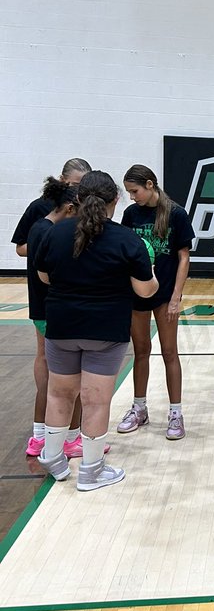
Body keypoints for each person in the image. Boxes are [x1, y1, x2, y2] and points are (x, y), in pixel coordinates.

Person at [34, 171, 157, 490]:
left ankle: (52, 456)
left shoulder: (55, 233)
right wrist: (152, 274)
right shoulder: (127, 239)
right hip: (105, 330)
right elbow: (145, 292)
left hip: (61, 325)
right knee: (95, 400)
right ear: (114, 201)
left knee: (59, 393)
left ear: (77, 198)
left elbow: (44, 277)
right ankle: (91, 470)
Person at [11, 157, 92, 458]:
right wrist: (51, 249)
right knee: (65, 375)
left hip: (58, 302)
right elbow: (23, 249)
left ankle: (48, 435)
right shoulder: (43, 220)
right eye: (74, 186)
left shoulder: (57, 223)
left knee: (64, 375)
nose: (78, 192)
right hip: (52, 303)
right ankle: (63, 438)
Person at [117, 164, 195, 441]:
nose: (131, 196)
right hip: (137, 292)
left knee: (170, 352)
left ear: (150, 184)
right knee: (140, 350)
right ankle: (139, 408)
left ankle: (176, 413)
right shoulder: (130, 214)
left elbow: (184, 257)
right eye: (128, 192)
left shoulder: (176, 213)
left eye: (134, 191)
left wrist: (176, 297)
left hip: (164, 295)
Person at [23, 178, 79, 458]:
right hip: (52, 310)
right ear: (69, 208)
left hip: (41, 309)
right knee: (66, 381)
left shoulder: (39, 227)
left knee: (50, 378)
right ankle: (69, 439)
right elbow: (50, 275)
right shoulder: (49, 233)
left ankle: (39, 437)